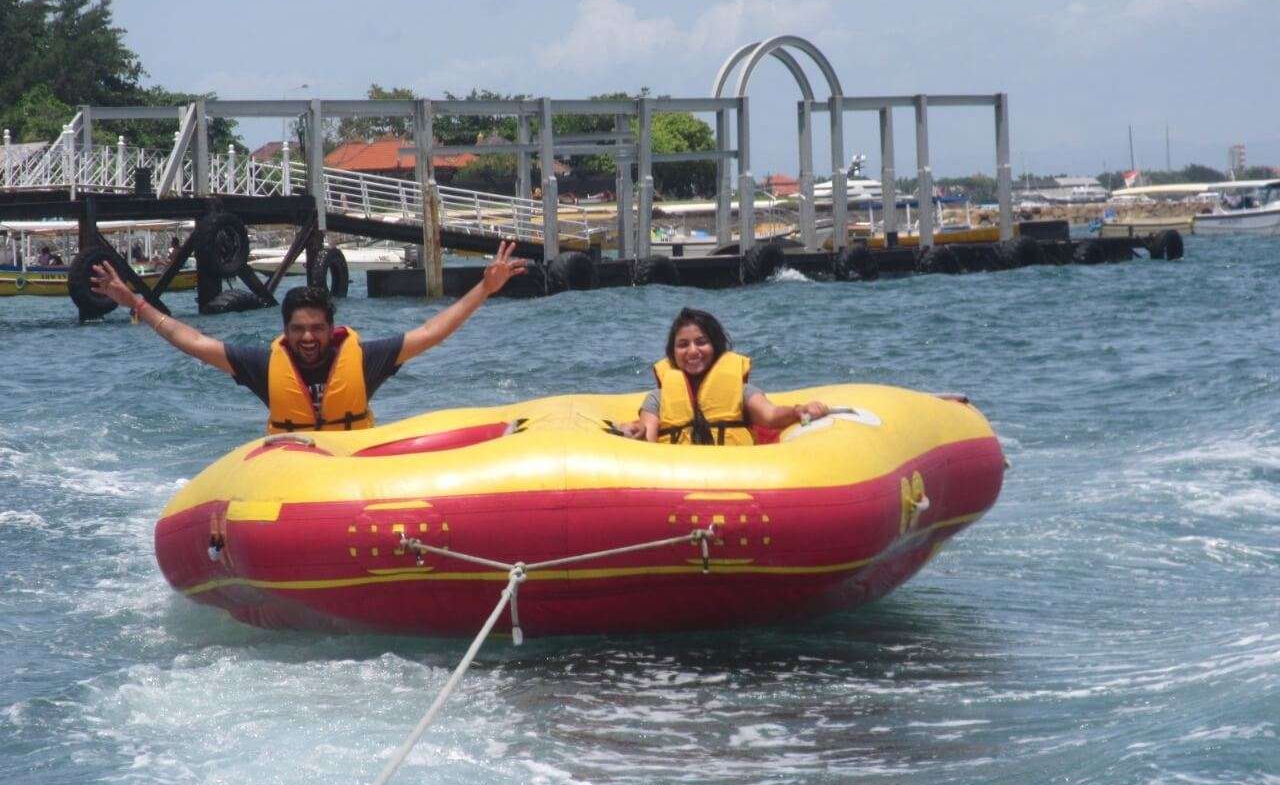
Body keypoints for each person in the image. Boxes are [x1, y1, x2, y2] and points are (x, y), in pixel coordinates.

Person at [89, 240, 527, 433]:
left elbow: (432, 332)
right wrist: (137, 304)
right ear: (285, 332)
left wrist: (484, 289)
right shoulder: (264, 365)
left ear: (332, 328)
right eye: (298, 329)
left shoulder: (363, 359)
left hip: (350, 469)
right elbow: (194, 342)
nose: (308, 337)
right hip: (293, 467)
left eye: (317, 328)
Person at [618, 307, 830, 444]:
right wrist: (635, 430)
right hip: (678, 478)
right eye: (683, 345)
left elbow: (770, 416)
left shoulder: (742, 391)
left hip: (733, 474)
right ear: (672, 353)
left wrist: (799, 410)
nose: (692, 351)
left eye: (701, 342)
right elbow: (648, 431)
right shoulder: (658, 397)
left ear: (716, 346)